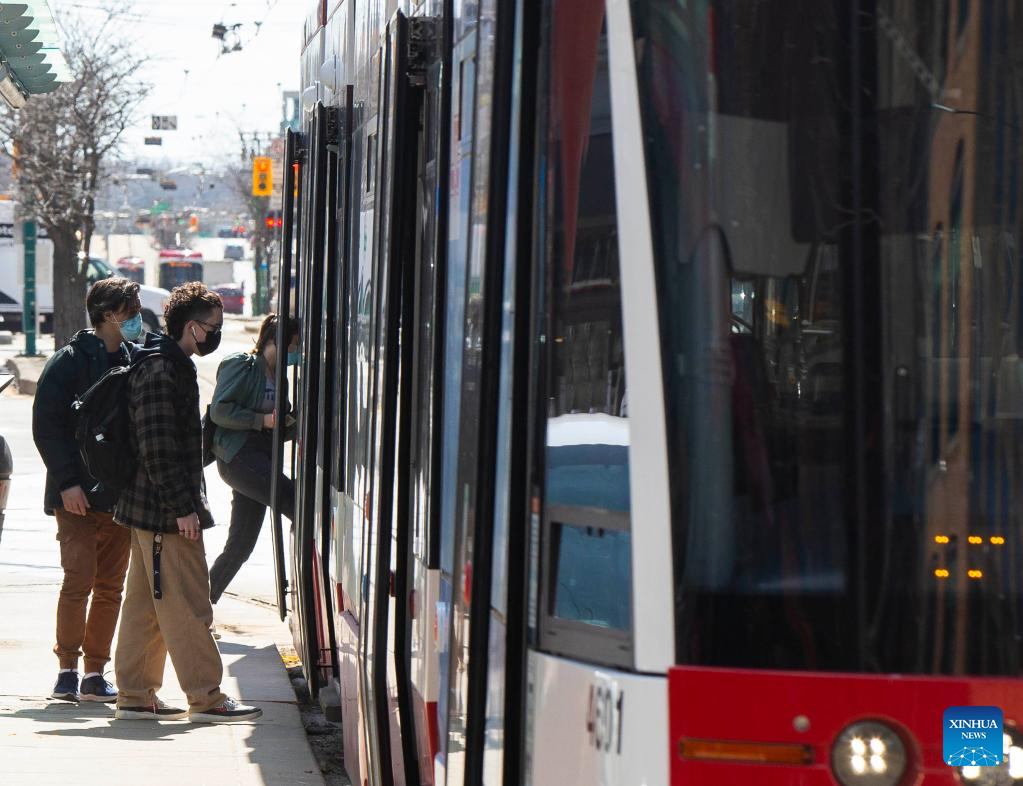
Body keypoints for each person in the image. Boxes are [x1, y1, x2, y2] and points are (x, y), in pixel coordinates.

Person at [113, 282, 262, 723]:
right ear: (192, 326)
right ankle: (206, 696)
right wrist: (184, 509)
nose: (216, 334)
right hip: (165, 511)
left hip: (149, 509)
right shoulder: (163, 370)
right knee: (189, 605)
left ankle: (135, 694)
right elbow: (158, 449)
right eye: (213, 326)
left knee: (145, 606)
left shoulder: (164, 362)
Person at [33, 277, 144, 703]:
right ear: (109, 314)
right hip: (75, 497)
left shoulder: (134, 360)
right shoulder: (68, 361)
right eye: (131, 311)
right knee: (78, 581)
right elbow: (47, 427)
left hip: (118, 496)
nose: (137, 318)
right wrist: (67, 483)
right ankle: (67, 670)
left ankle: (95, 673)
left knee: (110, 587)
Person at [208, 313, 298, 606]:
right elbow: (220, 411)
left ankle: (199, 606)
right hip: (238, 456)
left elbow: (279, 424)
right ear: (275, 340)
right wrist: (261, 420)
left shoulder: (279, 376)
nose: (295, 353)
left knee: (241, 545)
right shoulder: (242, 365)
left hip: (260, 458)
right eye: (293, 345)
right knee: (294, 501)